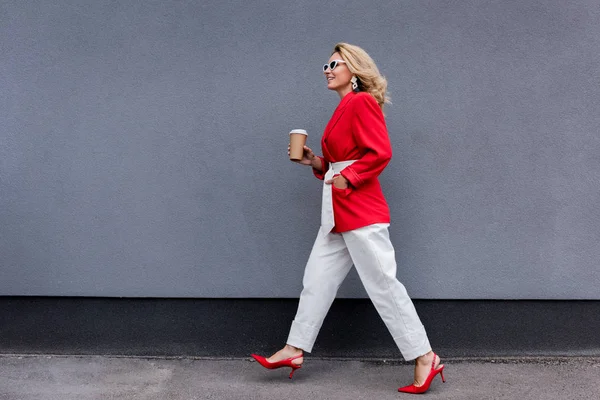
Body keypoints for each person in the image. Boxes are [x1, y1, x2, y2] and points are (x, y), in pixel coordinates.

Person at [251, 43, 445, 394]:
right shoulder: (344, 106)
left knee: (383, 285)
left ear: (353, 70)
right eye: (325, 64)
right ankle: (294, 350)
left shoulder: (361, 102)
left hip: (360, 210)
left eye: (334, 64)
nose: (326, 69)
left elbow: (380, 152)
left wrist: (350, 177)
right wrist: (317, 163)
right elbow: (344, 159)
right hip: (337, 211)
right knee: (317, 280)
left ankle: (425, 356)